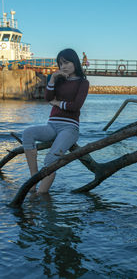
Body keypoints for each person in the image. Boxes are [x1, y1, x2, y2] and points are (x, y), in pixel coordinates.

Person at [22, 48, 89, 193]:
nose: (63, 66)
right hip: (51, 125)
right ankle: (33, 179)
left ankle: (41, 195)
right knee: (27, 133)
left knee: (51, 160)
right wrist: (52, 79)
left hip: (69, 129)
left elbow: (76, 106)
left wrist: (58, 104)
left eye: (66, 62)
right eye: (60, 63)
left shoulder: (83, 83)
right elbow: (48, 98)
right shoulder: (58, 79)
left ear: (75, 62)